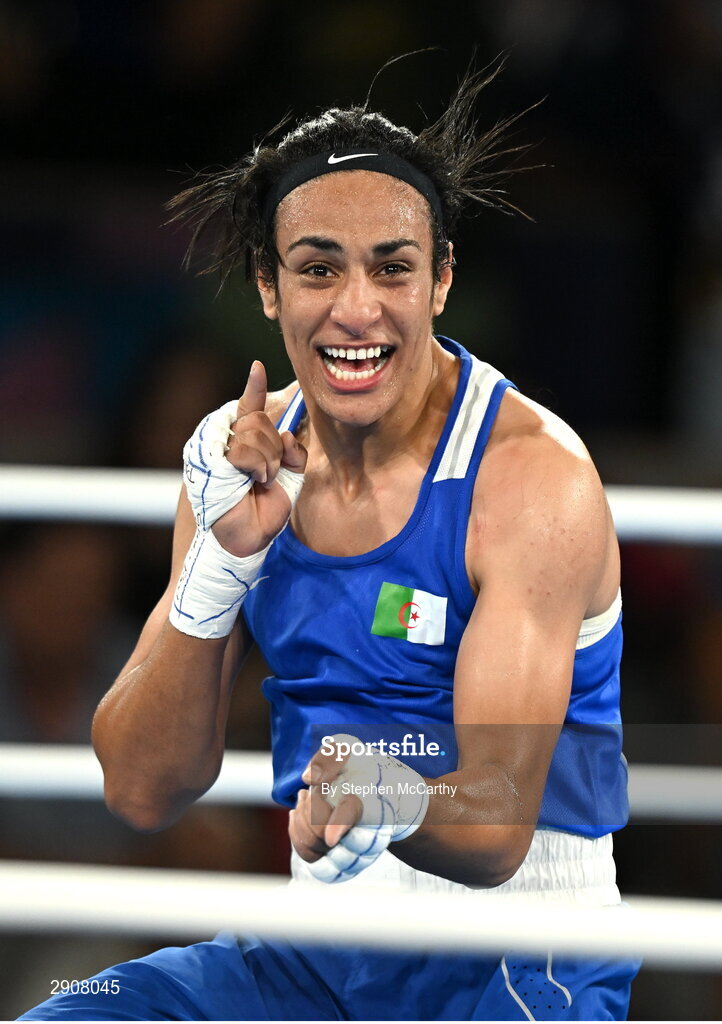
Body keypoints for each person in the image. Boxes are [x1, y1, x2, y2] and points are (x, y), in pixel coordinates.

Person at [20, 62, 640, 1021]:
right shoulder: (234, 457)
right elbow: (144, 788)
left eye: (392, 266)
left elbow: (500, 825)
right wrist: (220, 566)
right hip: (310, 959)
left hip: (519, 961)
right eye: (318, 269)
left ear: (441, 280)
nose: (357, 310)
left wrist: (385, 796)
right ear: (269, 288)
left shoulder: (529, 478)